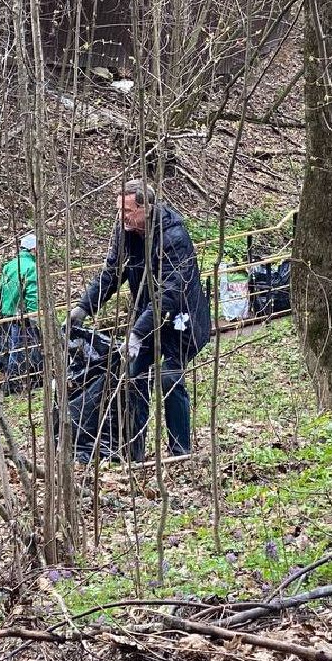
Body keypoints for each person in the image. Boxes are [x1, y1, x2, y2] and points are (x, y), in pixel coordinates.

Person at [69, 179, 211, 461]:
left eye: (128, 211)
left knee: (170, 378)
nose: (122, 217)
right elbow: (112, 273)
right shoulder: (125, 232)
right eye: (119, 211)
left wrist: (136, 332)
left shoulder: (174, 237)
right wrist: (84, 307)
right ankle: (134, 450)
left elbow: (170, 293)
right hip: (147, 318)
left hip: (182, 320)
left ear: (147, 208)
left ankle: (180, 451)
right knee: (132, 378)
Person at [0, 231, 42, 390]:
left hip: (7, 312)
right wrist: (33, 317)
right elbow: (32, 294)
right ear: (33, 250)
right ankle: (12, 384)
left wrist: (3, 309)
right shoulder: (32, 267)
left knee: (18, 345)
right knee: (19, 349)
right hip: (22, 315)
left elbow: (0, 289)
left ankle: (37, 376)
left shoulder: (9, 266)